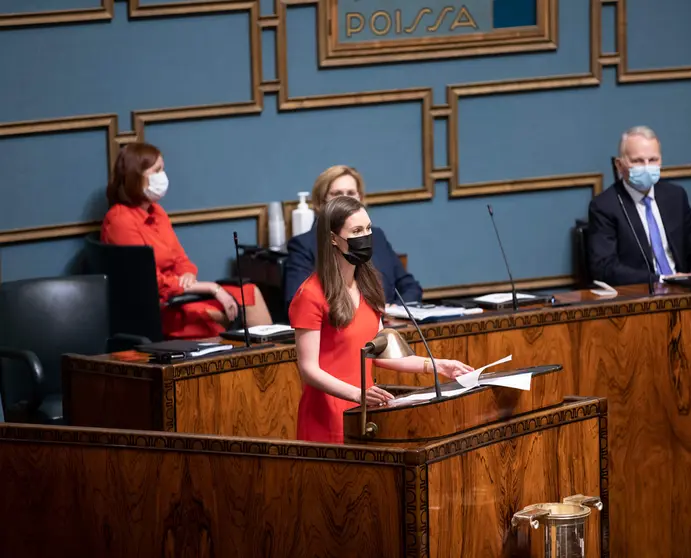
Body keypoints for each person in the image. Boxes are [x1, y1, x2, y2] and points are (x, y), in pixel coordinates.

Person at [289, 196, 473, 444]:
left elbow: (382, 354)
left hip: (365, 413)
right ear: (333, 238)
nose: (365, 236)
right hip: (328, 416)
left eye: (367, 228)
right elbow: (309, 369)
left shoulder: (369, 285)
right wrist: (358, 393)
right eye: (356, 231)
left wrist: (438, 365)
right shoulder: (310, 295)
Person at [101, 142, 273, 339]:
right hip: (158, 308)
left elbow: (181, 259)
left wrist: (187, 275)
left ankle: (272, 364)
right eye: (157, 170)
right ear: (136, 176)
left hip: (180, 294)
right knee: (221, 313)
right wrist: (211, 288)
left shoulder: (157, 212)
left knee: (250, 293)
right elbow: (150, 283)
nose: (163, 176)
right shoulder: (119, 221)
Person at [283, 165, 422, 309]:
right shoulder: (303, 245)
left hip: (389, 325)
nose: (345, 199)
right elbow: (298, 301)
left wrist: (394, 309)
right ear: (321, 202)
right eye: (337, 194)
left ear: (360, 198)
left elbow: (410, 287)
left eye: (351, 193)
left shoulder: (377, 237)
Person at [588, 126, 691, 286]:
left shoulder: (675, 196)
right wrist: (660, 280)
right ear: (619, 165)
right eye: (638, 161)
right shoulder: (605, 206)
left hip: (684, 289)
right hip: (640, 295)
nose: (647, 167)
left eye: (653, 160)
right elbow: (605, 268)